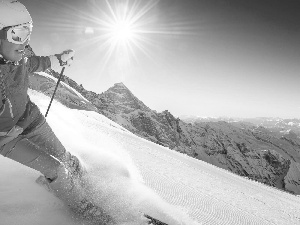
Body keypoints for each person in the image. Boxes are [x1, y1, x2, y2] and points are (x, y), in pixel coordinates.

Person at [0, 0, 111, 222]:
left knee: (68, 160)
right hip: (7, 138)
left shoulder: (18, 60)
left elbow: (35, 63)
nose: (25, 42)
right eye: (18, 34)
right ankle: (82, 208)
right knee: (58, 169)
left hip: (30, 119)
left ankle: (85, 190)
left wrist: (58, 58)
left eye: (28, 33)